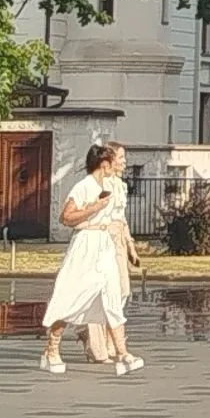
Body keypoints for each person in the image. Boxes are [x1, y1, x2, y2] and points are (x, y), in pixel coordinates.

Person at [40, 145, 138, 374]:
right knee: (73, 295)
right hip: (86, 242)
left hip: (104, 243)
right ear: (104, 164)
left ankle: (123, 353)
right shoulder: (84, 186)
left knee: (113, 296)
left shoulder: (110, 185)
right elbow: (66, 217)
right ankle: (51, 349)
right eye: (114, 160)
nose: (118, 164)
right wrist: (94, 207)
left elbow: (118, 217)